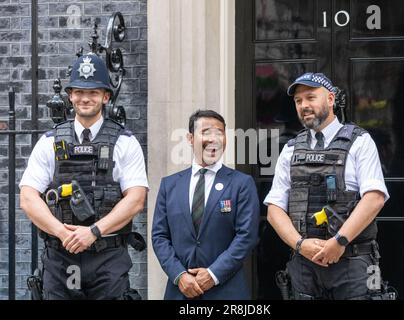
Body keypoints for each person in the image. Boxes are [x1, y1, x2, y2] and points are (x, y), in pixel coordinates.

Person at [19, 53, 149, 300]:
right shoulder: (48, 142)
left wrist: (93, 232)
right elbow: (27, 198)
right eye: (78, 91)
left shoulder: (125, 142)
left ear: (105, 96)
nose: (85, 98)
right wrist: (63, 232)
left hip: (107, 258)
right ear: (70, 96)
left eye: (93, 92)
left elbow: (136, 199)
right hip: (60, 259)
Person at [264, 72, 391, 300]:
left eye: (311, 97)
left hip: (353, 262)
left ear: (330, 99)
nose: (304, 105)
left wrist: (339, 241)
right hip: (304, 264)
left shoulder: (360, 142)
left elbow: (374, 198)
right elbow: (274, 210)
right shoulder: (290, 150)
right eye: (298, 101)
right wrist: (300, 245)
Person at [152, 109, 259, 300]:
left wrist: (213, 274)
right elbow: (159, 236)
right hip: (180, 290)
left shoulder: (241, 184)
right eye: (206, 132)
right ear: (191, 138)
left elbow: (246, 236)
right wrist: (179, 275)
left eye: (219, 132)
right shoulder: (169, 185)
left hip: (227, 291)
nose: (214, 139)